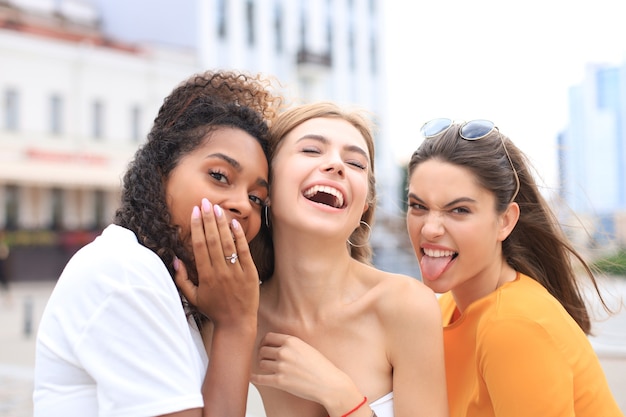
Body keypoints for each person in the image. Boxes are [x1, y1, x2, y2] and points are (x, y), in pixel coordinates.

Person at [33, 70, 283, 417]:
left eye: (257, 198)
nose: (243, 204)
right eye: (219, 176)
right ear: (162, 172)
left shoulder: (165, 285)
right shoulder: (125, 274)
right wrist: (236, 325)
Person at [405, 118, 623, 417]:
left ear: (505, 221)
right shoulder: (446, 309)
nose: (429, 229)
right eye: (418, 206)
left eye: (459, 210)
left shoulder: (513, 325)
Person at [242, 102, 448, 417]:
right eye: (311, 150)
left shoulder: (406, 306)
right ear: (265, 185)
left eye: (355, 163)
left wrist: (340, 395)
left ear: (365, 205)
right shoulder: (232, 324)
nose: (337, 165)